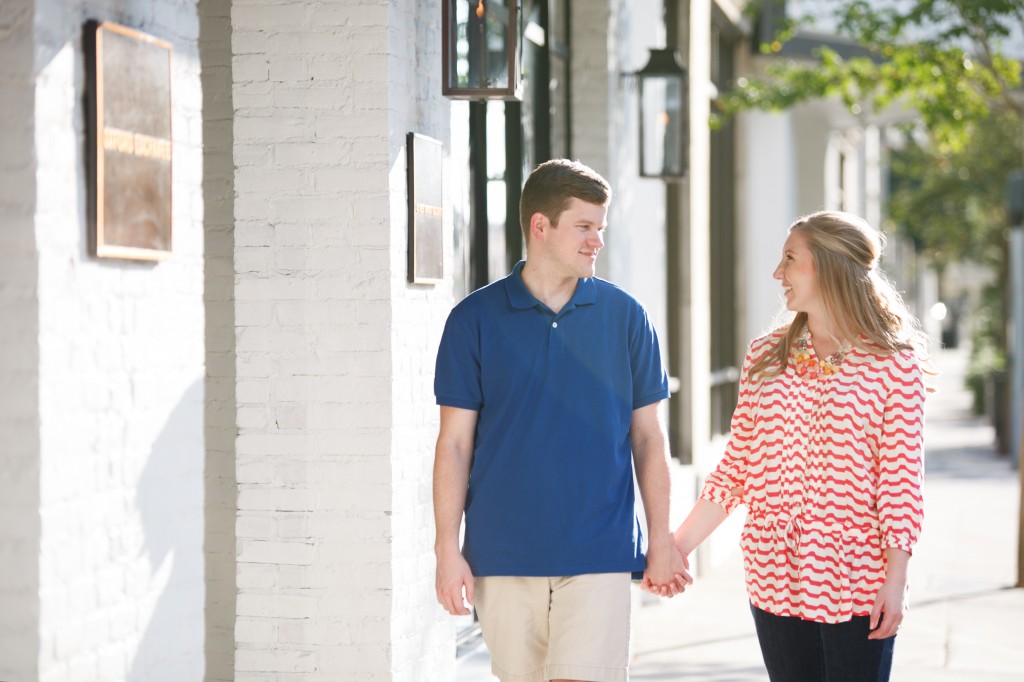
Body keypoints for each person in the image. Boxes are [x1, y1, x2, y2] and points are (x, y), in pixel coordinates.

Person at [433, 158, 689, 682]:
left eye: (601, 228)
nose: (597, 240)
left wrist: (660, 539)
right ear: (540, 226)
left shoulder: (627, 317)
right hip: (502, 551)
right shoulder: (473, 320)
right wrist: (446, 549)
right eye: (584, 226)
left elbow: (648, 437)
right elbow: (454, 444)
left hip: (600, 547)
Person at [670, 210, 928, 682]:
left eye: (790, 259)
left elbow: (900, 484)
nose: (777, 273)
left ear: (828, 267)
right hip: (775, 576)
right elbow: (737, 469)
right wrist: (677, 548)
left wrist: (896, 580)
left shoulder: (895, 366)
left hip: (857, 579)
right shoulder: (766, 356)